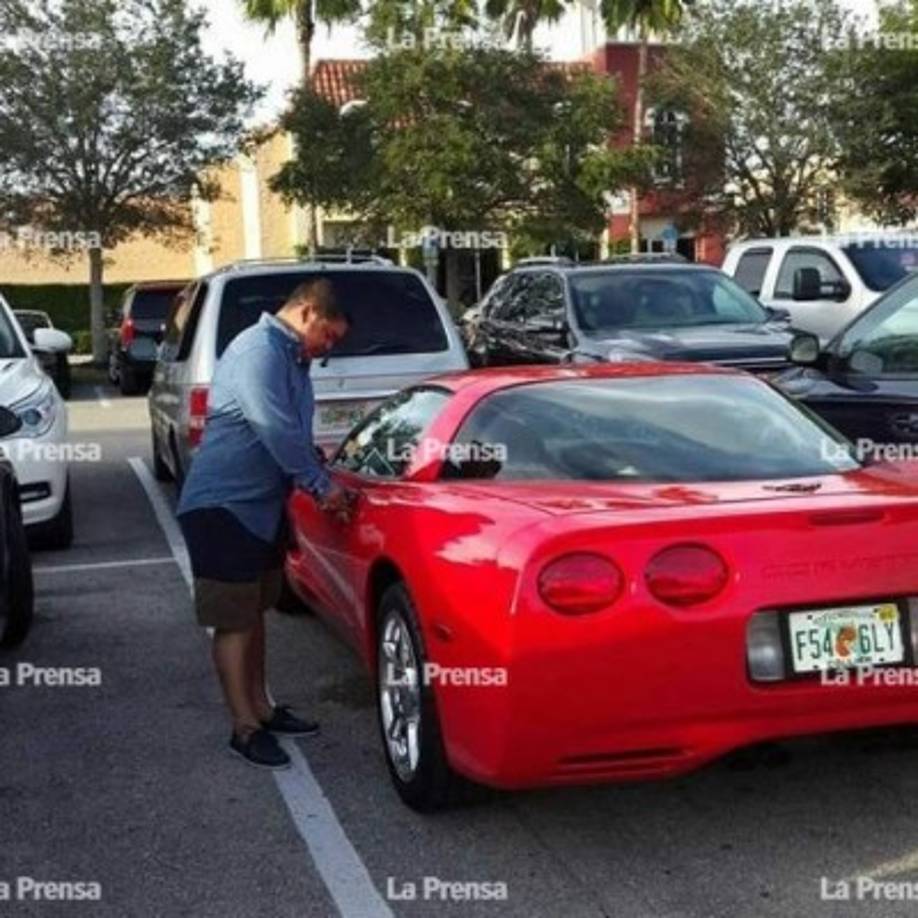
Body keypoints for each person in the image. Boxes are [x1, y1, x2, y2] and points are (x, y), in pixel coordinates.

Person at [177, 278, 354, 770]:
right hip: (223, 509)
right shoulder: (258, 351)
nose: (327, 350)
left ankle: (263, 708)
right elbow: (273, 428)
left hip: (261, 509)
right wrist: (321, 486)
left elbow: (294, 435)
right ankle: (244, 727)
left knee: (254, 614)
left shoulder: (293, 360)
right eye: (329, 337)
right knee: (233, 621)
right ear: (307, 313)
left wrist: (321, 467)